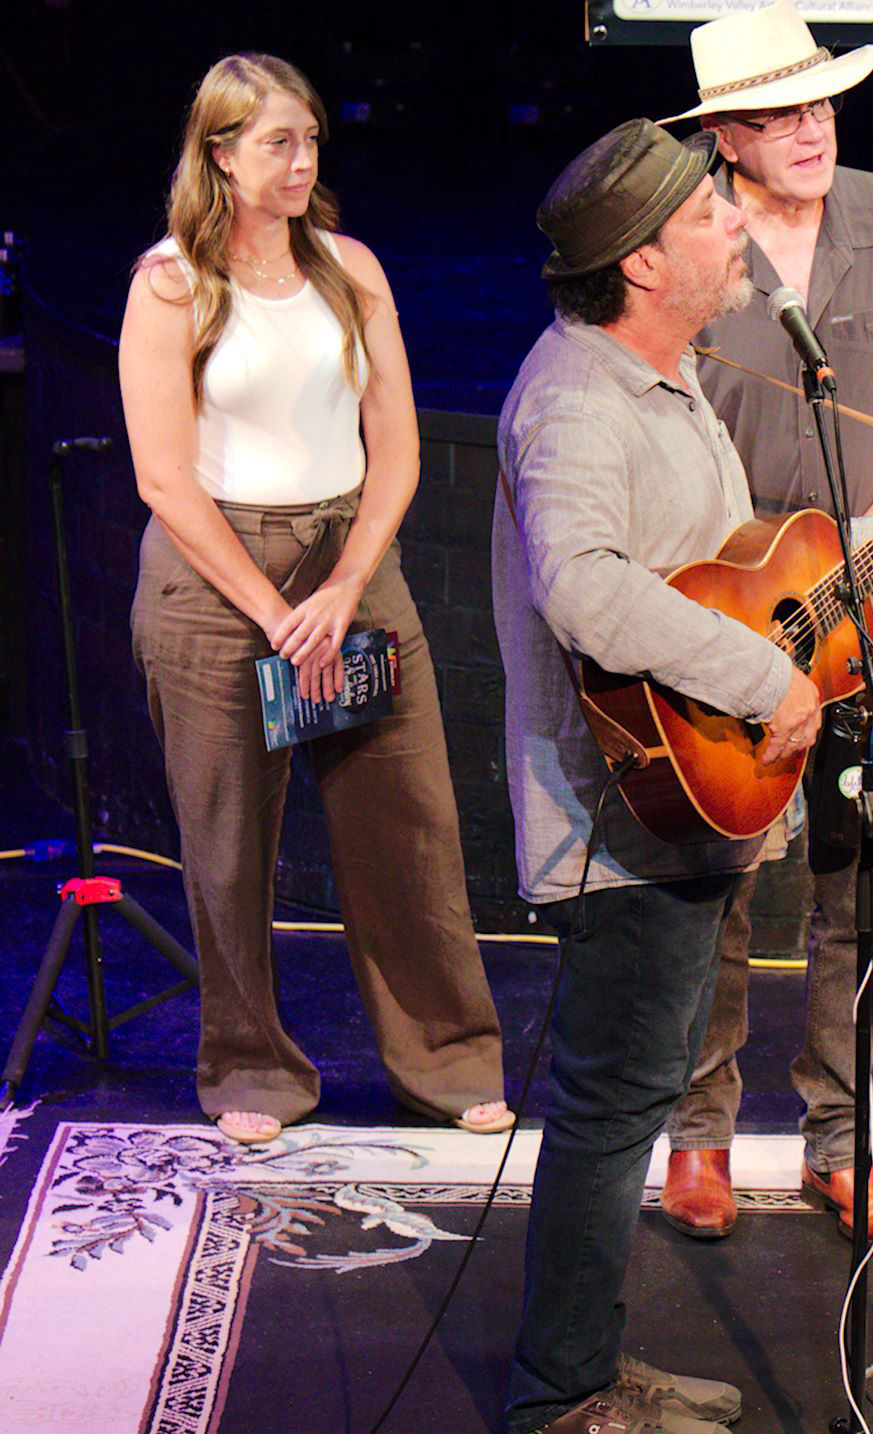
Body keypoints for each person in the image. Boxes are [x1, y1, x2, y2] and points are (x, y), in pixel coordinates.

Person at [492, 115, 873, 1434]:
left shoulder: (669, 378)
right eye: (712, 220)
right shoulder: (578, 401)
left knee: (629, 1094)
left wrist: (824, 597)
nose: (735, 237)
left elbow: (716, 573)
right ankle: (558, 1398)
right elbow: (583, 588)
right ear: (647, 264)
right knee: (608, 1114)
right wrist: (768, 682)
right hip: (618, 824)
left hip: (677, 814)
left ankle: (588, 1361)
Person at [118, 53, 511, 1149]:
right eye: (278, 143)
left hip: (350, 560)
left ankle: (445, 1060)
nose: (303, 162)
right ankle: (250, 1066)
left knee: (407, 826)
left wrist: (342, 589)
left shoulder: (349, 267)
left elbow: (396, 446)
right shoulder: (169, 285)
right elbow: (163, 475)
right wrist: (273, 608)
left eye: (311, 141)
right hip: (213, 578)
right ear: (221, 154)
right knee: (229, 838)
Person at [656, 0, 873, 1254]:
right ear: (723, 135)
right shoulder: (681, 240)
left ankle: (843, 1147)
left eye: (821, 102)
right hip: (729, 610)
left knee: (865, 876)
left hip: (872, 599)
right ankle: (697, 1135)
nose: (810, 128)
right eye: (780, 112)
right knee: (722, 874)